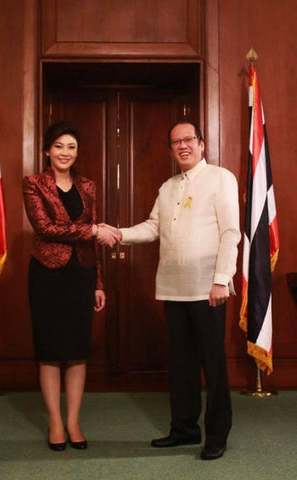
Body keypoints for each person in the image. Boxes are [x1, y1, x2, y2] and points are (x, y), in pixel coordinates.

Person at [98, 120, 241, 460]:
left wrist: (222, 278)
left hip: (209, 288)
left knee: (214, 365)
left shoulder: (221, 179)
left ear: (202, 144)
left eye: (189, 139)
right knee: (181, 365)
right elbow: (152, 228)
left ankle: (216, 435)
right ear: (171, 149)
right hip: (173, 288)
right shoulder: (167, 187)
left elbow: (231, 232)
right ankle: (185, 429)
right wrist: (119, 233)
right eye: (176, 142)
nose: (183, 146)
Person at [23, 121, 110, 451]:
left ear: (78, 152)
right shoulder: (33, 183)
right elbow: (44, 228)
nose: (65, 152)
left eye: (71, 147)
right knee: (49, 352)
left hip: (82, 275)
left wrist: (98, 283)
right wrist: (90, 231)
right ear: (47, 150)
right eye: (59, 146)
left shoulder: (88, 186)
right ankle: (55, 422)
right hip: (46, 274)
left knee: (77, 352)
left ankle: (73, 421)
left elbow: (94, 241)